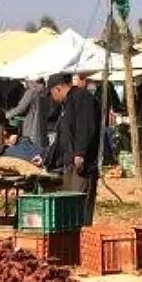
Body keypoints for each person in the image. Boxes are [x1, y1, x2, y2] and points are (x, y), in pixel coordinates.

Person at [44, 72, 101, 224]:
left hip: (81, 165)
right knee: (69, 209)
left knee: (79, 207)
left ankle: (82, 241)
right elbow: (63, 137)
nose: (52, 99)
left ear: (57, 89)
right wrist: (47, 156)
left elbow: (86, 126)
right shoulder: (67, 104)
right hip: (68, 163)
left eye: (51, 94)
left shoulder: (83, 97)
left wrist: (80, 153)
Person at [5, 76, 51, 153]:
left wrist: (8, 114)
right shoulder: (46, 92)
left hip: (31, 134)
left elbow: (21, 109)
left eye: (25, 80)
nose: (24, 84)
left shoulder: (32, 92)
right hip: (43, 133)